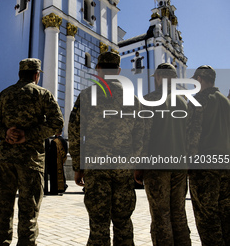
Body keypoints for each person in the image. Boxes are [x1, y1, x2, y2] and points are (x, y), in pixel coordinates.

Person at [0, 58, 64, 245]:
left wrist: (5, 133)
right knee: (29, 214)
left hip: (3, 161)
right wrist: (28, 136)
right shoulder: (43, 95)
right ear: (36, 75)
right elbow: (57, 123)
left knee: (2, 212)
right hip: (31, 161)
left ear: (20, 74)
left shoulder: (3, 95)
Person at [68, 51, 144, 245]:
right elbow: (141, 136)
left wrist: (78, 166)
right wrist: (138, 166)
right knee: (123, 223)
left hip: (96, 168)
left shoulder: (86, 96)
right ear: (118, 70)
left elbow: (75, 133)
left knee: (99, 225)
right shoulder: (133, 99)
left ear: (98, 69)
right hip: (123, 170)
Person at [134, 63, 191, 245]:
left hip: (157, 167)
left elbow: (143, 135)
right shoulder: (184, 102)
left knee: (161, 216)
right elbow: (190, 136)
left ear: (158, 77)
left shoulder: (149, 100)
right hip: (180, 167)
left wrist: (138, 166)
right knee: (179, 214)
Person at [187, 65, 230, 246]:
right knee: (226, 217)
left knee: (207, 219)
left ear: (199, 79)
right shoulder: (226, 102)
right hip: (226, 167)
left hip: (205, 169)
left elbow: (192, 134)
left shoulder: (198, 100)